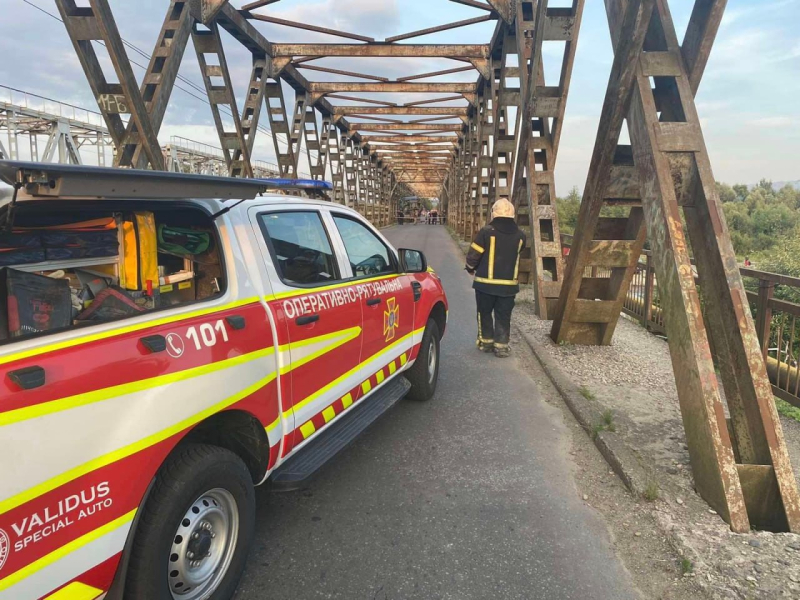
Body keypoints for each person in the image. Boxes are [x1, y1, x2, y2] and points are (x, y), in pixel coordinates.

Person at [465, 199, 526, 358]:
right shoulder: (520, 236)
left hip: (485, 285)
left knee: (484, 313)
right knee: (503, 315)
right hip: (508, 286)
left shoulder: (486, 232)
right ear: (512, 214)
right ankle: (502, 347)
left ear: (493, 213)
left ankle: (486, 343)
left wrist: (470, 268)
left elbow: (474, 254)